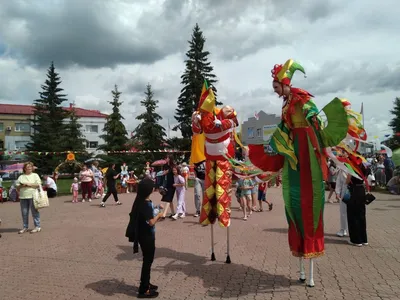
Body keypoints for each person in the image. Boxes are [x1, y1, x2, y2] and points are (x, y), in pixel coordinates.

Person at [125, 178, 163, 298]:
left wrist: (157, 207)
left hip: (143, 235)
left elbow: (148, 213)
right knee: (148, 261)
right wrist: (159, 215)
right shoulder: (145, 204)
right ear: (149, 190)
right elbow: (151, 221)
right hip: (146, 236)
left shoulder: (141, 201)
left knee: (148, 261)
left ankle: (146, 283)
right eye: (152, 187)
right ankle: (143, 289)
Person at [16, 162, 42, 234]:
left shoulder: (35, 175)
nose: (29, 168)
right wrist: (22, 185)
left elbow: (38, 184)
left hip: (33, 196)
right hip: (23, 196)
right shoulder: (21, 177)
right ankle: (25, 227)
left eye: (30, 166)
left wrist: (29, 184)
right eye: (28, 167)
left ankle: (37, 226)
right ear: (24, 168)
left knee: (34, 212)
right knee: (24, 213)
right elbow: (17, 187)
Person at [346, 163, 369, 247]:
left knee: (353, 215)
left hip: (354, 190)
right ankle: (364, 239)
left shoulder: (352, 168)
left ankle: (356, 240)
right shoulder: (364, 168)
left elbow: (347, 180)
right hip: (361, 190)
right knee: (361, 215)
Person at [335, 169, 348, 237]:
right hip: (345, 192)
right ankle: (343, 229)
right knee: (343, 211)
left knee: (353, 212)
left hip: (355, 191)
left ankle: (352, 229)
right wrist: (337, 192)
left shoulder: (356, 168)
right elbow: (339, 181)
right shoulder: (342, 169)